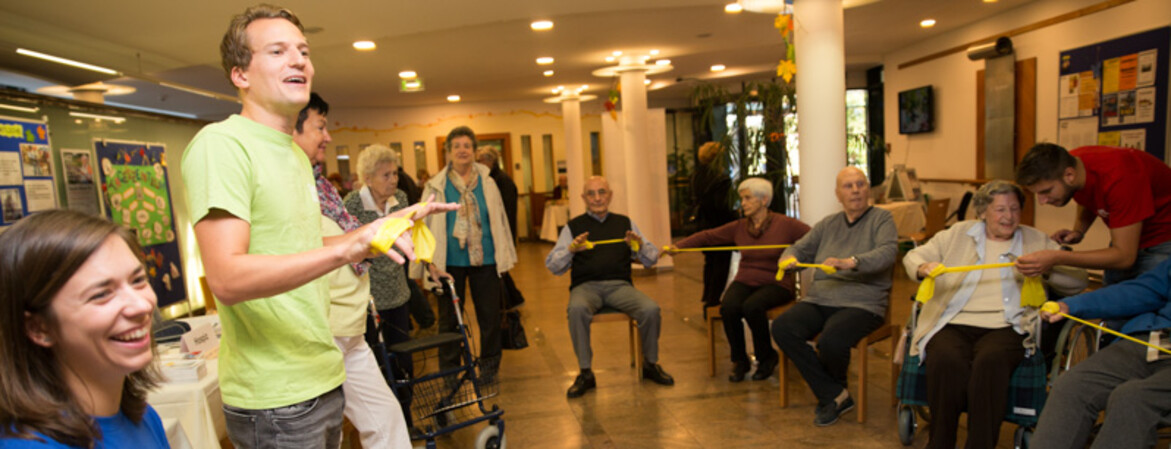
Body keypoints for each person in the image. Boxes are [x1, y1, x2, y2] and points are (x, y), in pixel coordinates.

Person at [180, 6, 455, 447]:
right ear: (240, 75)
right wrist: (348, 249)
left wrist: (378, 231)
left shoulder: (291, 154)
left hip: (321, 374)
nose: (298, 61)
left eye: (303, 51)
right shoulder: (221, 146)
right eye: (277, 51)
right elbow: (227, 278)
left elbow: (306, 244)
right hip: (276, 397)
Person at [903, 180, 1087, 449]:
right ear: (982, 212)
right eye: (1000, 209)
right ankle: (940, 443)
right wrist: (923, 268)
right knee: (945, 358)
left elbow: (1079, 281)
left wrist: (1047, 267)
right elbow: (912, 258)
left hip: (1008, 325)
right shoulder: (957, 234)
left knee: (990, 362)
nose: (1009, 216)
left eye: (1014, 209)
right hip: (953, 321)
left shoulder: (1036, 240)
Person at [293, 94, 412, 449]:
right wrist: (369, 240)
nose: (327, 136)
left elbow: (351, 239)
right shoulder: (290, 190)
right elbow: (305, 253)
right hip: (321, 332)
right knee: (324, 435)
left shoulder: (320, 186)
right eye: (320, 126)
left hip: (349, 329)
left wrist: (389, 227)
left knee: (386, 420)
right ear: (292, 129)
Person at [0, 210, 167, 448]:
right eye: (101, 294)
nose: (141, 306)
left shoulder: (143, 417)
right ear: (39, 328)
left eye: (138, 280)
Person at [770, 166, 898, 426]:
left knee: (831, 339)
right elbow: (797, 248)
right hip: (820, 299)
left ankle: (833, 393)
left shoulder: (882, 220)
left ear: (868, 189)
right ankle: (836, 394)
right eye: (848, 186)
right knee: (783, 327)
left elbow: (887, 253)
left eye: (860, 184)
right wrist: (789, 258)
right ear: (838, 194)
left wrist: (850, 262)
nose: (856, 191)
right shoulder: (828, 224)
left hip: (863, 304)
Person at [668, 177, 809, 382]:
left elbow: (814, 239)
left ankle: (766, 357)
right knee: (729, 306)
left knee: (753, 306)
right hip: (746, 279)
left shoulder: (786, 224)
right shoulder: (740, 226)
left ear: (764, 200)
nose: (742, 203)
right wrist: (679, 246)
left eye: (747, 198)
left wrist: (798, 259)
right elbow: (708, 236)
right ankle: (740, 361)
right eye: (742, 198)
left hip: (776, 283)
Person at [546, 176, 675, 398]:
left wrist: (638, 244)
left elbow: (651, 259)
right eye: (592, 194)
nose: (597, 198)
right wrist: (571, 250)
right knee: (576, 310)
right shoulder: (573, 226)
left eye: (602, 192)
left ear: (610, 195)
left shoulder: (625, 223)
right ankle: (585, 372)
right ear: (584, 198)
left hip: (620, 286)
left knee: (650, 309)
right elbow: (553, 266)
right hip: (585, 287)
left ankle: (650, 364)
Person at [1032, 256, 1171, 449]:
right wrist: (1072, 305)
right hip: (1154, 340)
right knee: (1072, 384)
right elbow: (1142, 291)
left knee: (1132, 398)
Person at [414, 126, 517, 382]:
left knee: (489, 318)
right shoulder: (435, 185)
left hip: (486, 258)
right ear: (448, 152)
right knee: (449, 321)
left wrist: (506, 252)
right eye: (456, 146)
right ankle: (451, 372)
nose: (462, 150)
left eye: (467, 146)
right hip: (448, 262)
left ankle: (490, 370)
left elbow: (500, 220)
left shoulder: (488, 182)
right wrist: (426, 262)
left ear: (474, 151)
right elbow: (423, 226)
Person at [1015, 143, 1171, 284]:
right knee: (1110, 302)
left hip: (1162, 241)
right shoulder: (1073, 165)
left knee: (1148, 303)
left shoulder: (1120, 178)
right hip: (1129, 242)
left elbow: (1124, 257)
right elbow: (1088, 194)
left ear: (1069, 175)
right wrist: (1079, 230)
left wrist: (1057, 257)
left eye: (1046, 191)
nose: (1042, 201)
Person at [344, 144, 416, 375]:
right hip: (367, 298)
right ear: (368, 178)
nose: (394, 179)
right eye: (387, 175)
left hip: (398, 294)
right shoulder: (352, 204)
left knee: (403, 362)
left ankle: (405, 409)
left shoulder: (401, 199)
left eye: (395, 173)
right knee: (375, 362)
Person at [690, 142, 740, 311]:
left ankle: (707, 298)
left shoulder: (697, 175)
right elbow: (722, 206)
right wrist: (736, 219)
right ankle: (713, 300)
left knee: (710, 262)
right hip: (720, 226)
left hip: (704, 225)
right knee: (721, 263)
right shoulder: (721, 179)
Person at [475, 146, 519, 240]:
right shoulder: (488, 178)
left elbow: (508, 210)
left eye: (480, 161)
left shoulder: (502, 180)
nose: (478, 164)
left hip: (502, 229)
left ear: (491, 161)